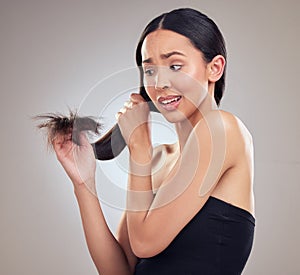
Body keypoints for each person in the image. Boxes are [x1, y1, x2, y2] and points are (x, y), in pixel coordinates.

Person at [39, 8, 255, 275]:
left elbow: (144, 243)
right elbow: (119, 271)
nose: (160, 82)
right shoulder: (156, 160)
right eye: (150, 70)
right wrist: (83, 184)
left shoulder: (222, 129)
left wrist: (139, 147)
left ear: (215, 68)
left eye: (175, 66)